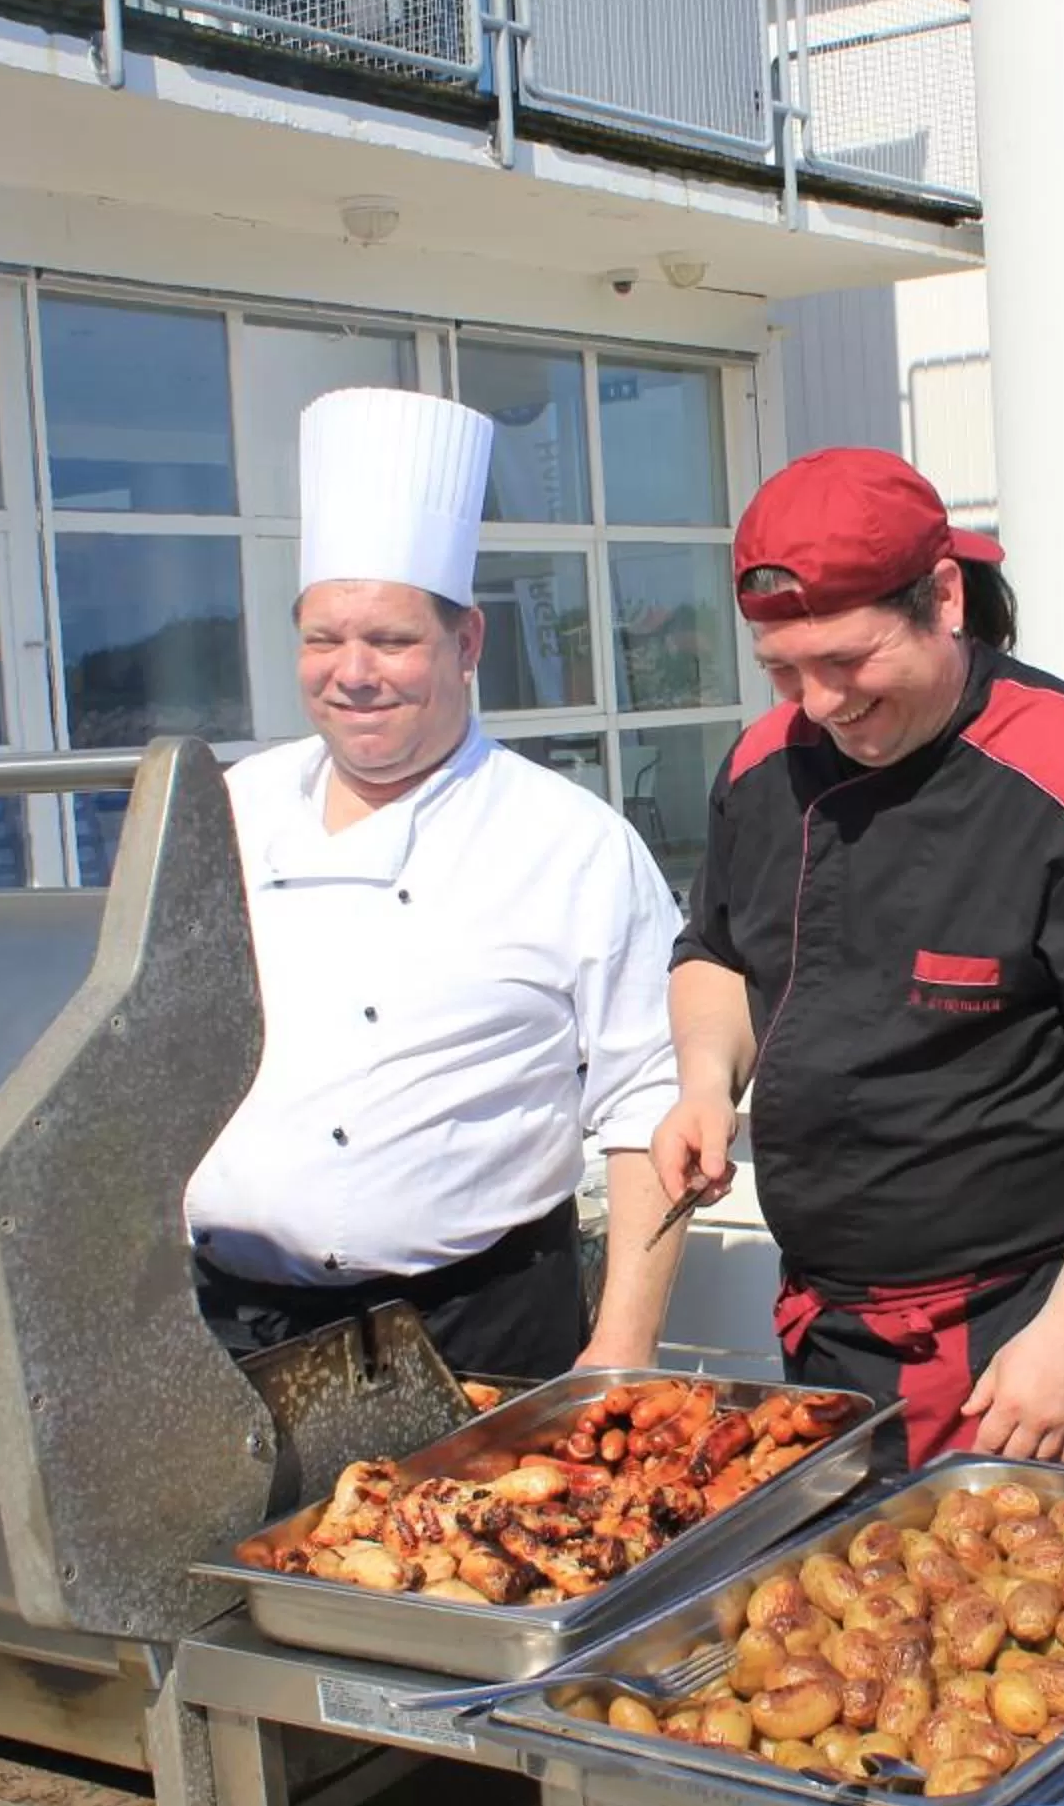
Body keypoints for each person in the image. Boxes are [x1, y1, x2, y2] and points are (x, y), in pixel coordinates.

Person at [654, 447, 1064, 1468]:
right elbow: (714, 949)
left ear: (942, 596)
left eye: (847, 661)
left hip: (1024, 1335)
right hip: (828, 1324)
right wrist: (707, 1080)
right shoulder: (764, 766)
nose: (817, 704)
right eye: (782, 669)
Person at [188, 387, 690, 1381]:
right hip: (226, 1331)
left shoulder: (572, 840)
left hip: (480, 1328)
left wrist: (622, 1348)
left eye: (392, 640)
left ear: (467, 646)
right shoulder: (224, 812)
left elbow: (650, 1104)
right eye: (324, 638)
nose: (354, 671)